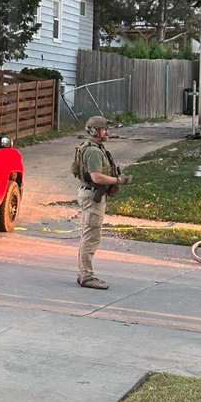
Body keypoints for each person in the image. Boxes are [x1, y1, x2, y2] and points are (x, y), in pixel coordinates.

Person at [75, 116, 132, 289]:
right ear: (94, 131)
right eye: (104, 129)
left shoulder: (94, 147)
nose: (107, 132)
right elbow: (96, 176)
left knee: (89, 235)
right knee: (91, 237)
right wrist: (119, 180)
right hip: (93, 197)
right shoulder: (93, 151)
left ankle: (84, 273)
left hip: (91, 195)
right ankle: (87, 276)